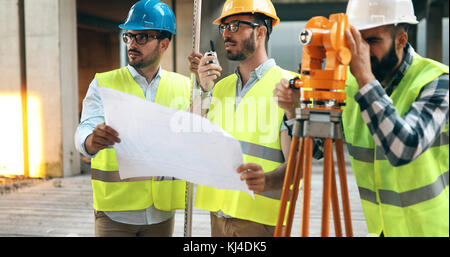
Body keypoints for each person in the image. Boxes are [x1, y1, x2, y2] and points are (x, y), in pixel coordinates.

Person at [273, 0, 449, 237]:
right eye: (357, 40)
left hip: (432, 231)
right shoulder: (349, 84)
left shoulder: (436, 81)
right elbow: (314, 148)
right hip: (380, 231)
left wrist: (365, 78)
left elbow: (404, 148)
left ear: (401, 40)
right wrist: (293, 110)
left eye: (373, 40)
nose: (361, 51)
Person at [74, 0, 191, 237]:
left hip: (162, 214)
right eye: (129, 36)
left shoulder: (185, 86)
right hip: (115, 214)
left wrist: (206, 89)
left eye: (142, 37)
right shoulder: (104, 83)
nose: (132, 44)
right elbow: (85, 128)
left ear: (164, 43)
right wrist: (90, 141)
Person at [188, 0, 298, 237]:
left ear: (261, 31)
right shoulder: (220, 87)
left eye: (235, 25)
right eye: (224, 27)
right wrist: (203, 89)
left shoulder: (288, 87)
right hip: (218, 216)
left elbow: (296, 168)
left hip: (260, 220)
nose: (226, 33)